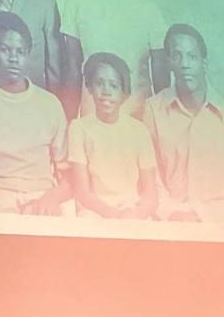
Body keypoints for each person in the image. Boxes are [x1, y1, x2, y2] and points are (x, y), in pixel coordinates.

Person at [141, 23, 224, 224]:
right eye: (177, 56)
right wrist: (171, 213)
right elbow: (151, 179)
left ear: (204, 62)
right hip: (177, 225)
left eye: (192, 57)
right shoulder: (153, 110)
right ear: (168, 62)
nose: (184, 64)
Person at [0, 11, 69, 214]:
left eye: (21, 52)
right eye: (5, 50)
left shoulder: (50, 104)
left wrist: (50, 199)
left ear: (28, 54)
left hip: (43, 196)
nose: (13, 59)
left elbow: (69, 178)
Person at [59, 0, 167, 119]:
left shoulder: (148, 9)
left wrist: (162, 123)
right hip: (92, 115)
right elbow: (73, 69)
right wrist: (69, 120)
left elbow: (161, 78)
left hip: (138, 115)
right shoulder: (76, 2)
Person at [68, 52, 159, 219]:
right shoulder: (79, 128)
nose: (106, 92)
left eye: (114, 85)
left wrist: (136, 214)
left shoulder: (139, 131)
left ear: (124, 93)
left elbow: (150, 193)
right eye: (99, 84)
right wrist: (113, 215)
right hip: (95, 210)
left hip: (132, 209)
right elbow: (83, 192)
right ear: (89, 87)